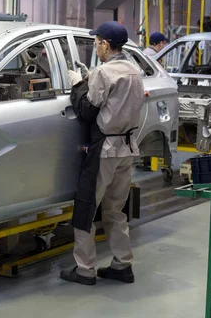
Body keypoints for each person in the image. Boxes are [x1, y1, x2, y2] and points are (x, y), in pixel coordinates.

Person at [60, 21, 145, 285]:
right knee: (115, 210)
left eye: (96, 42)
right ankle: (122, 265)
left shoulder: (103, 72)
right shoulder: (135, 70)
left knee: (85, 207)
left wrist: (78, 85)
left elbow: (87, 111)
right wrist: (89, 80)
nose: (96, 46)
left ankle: (85, 269)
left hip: (104, 150)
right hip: (127, 148)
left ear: (105, 45)